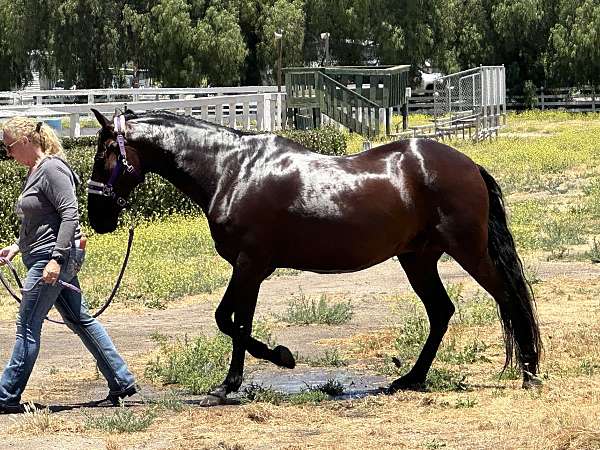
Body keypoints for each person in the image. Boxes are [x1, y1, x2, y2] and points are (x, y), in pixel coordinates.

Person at [0, 118, 136, 413]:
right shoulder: (36, 170)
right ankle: (122, 380)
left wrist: (56, 260)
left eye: (8, 146)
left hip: (52, 260)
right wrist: (16, 247)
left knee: (26, 326)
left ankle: (6, 396)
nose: (7, 153)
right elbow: (41, 221)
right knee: (79, 319)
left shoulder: (52, 168)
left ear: (25, 140)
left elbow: (69, 215)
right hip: (45, 256)